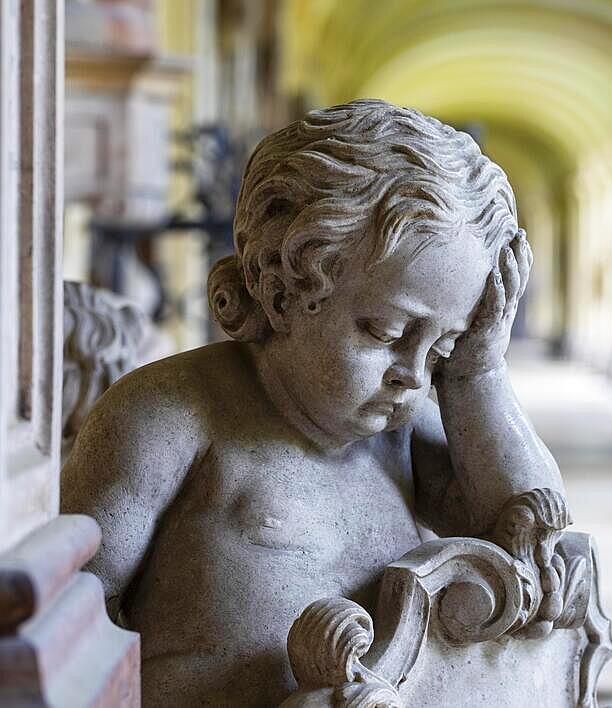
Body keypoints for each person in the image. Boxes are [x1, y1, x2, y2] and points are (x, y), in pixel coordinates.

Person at [61, 99, 564, 707]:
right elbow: (69, 625)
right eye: (385, 333)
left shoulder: (402, 439)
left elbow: (528, 547)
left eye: (441, 351)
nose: (412, 375)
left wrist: (477, 374)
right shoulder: (171, 416)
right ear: (286, 287)